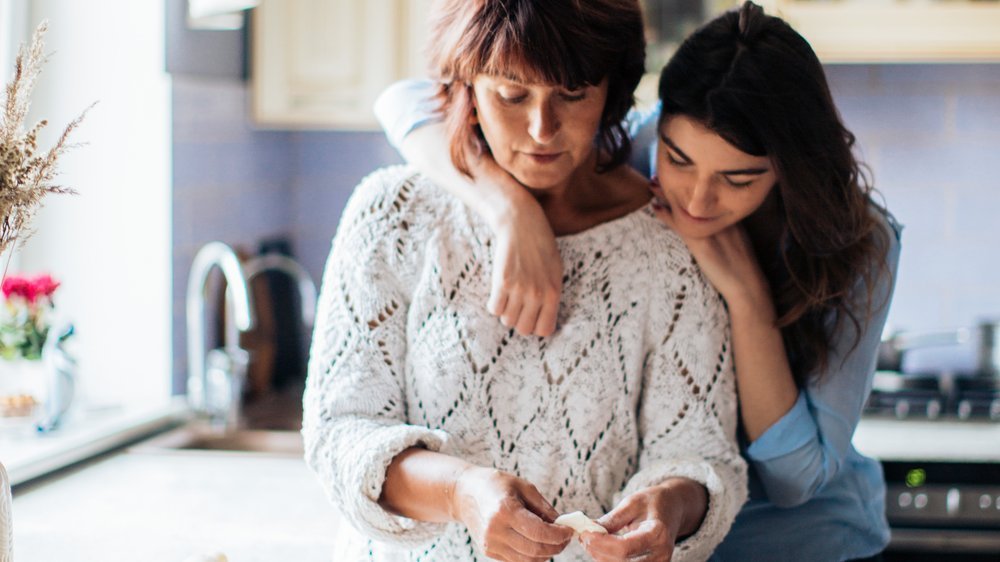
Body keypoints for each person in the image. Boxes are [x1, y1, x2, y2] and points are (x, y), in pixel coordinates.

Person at [373, 2, 901, 561]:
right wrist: (507, 207)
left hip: (800, 543)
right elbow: (406, 100)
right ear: (658, 129)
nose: (696, 200)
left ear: (789, 169)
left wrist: (745, 296)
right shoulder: (632, 150)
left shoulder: (861, 242)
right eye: (679, 160)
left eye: (738, 178)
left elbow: (797, 480)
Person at [303, 1, 748, 561]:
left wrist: (669, 507)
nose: (542, 129)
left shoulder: (668, 243)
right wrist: (461, 492)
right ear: (466, 84)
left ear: (612, 90)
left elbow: (703, 455)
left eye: (573, 94)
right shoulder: (393, 215)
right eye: (512, 95)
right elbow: (340, 434)